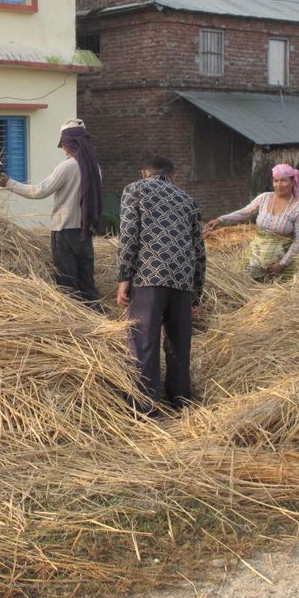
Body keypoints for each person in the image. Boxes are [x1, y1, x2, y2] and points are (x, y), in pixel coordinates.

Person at [117, 156, 205, 413]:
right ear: (173, 175)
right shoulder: (188, 201)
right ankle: (180, 400)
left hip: (149, 276)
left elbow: (129, 235)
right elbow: (199, 251)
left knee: (144, 339)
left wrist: (124, 277)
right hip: (183, 278)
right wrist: (196, 294)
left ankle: (145, 405)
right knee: (179, 341)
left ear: (144, 172)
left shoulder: (135, 190)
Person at [0, 118, 103, 308]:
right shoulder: (95, 167)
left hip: (65, 230)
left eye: (63, 144)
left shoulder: (67, 167)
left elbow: (39, 191)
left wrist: (9, 184)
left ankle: (74, 321)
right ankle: (97, 317)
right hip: (86, 231)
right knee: (87, 282)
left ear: (68, 143)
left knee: (67, 281)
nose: (63, 149)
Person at [204, 164, 299, 281]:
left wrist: (282, 264)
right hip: (253, 260)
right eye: (276, 181)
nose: (279, 185)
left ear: (293, 182)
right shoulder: (264, 198)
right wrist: (220, 220)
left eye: (283, 181)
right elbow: (244, 213)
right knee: (245, 288)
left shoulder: (298, 209)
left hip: (278, 268)